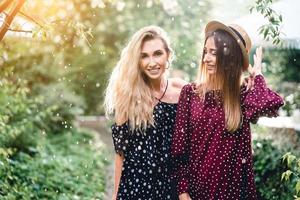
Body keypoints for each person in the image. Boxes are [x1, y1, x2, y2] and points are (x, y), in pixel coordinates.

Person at [171, 20, 284, 200]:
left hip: (232, 192)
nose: (206, 58)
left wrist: (258, 77)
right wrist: (183, 192)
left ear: (229, 58)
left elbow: (272, 105)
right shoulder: (190, 93)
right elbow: (179, 149)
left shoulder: (242, 95)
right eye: (205, 52)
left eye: (213, 53)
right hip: (196, 192)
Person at [104, 25, 186, 200]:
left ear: (168, 55)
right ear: (138, 62)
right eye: (144, 56)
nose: (152, 62)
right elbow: (121, 152)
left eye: (157, 53)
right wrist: (116, 195)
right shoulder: (127, 94)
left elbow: (214, 98)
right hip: (136, 186)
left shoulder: (181, 89)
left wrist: (245, 83)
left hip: (170, 185)